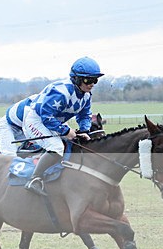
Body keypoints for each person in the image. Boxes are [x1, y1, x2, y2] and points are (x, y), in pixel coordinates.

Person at [19, 57, 102, 195]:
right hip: (37, 121)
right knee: (57, 147)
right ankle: (34, 179)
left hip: (54, 122)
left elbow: (84, 114)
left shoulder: (86, 95)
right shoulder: (61, 92)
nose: (92, 84)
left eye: (95, 80)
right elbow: (46, 116)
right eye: (88, 80)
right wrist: (65, 131)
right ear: (76, 78)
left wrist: (84, 130)